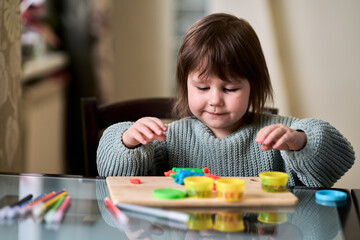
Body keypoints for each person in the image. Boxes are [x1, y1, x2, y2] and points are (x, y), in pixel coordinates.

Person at [97, 13, 354, 187]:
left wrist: (300, 141)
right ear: (185, 86)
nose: (215, 100)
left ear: (254, 87)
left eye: (230, 88)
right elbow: (111, 174)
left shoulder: (278, 136)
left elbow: (341, 156)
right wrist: (128, 141)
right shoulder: (171, 139)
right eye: (202, 87)